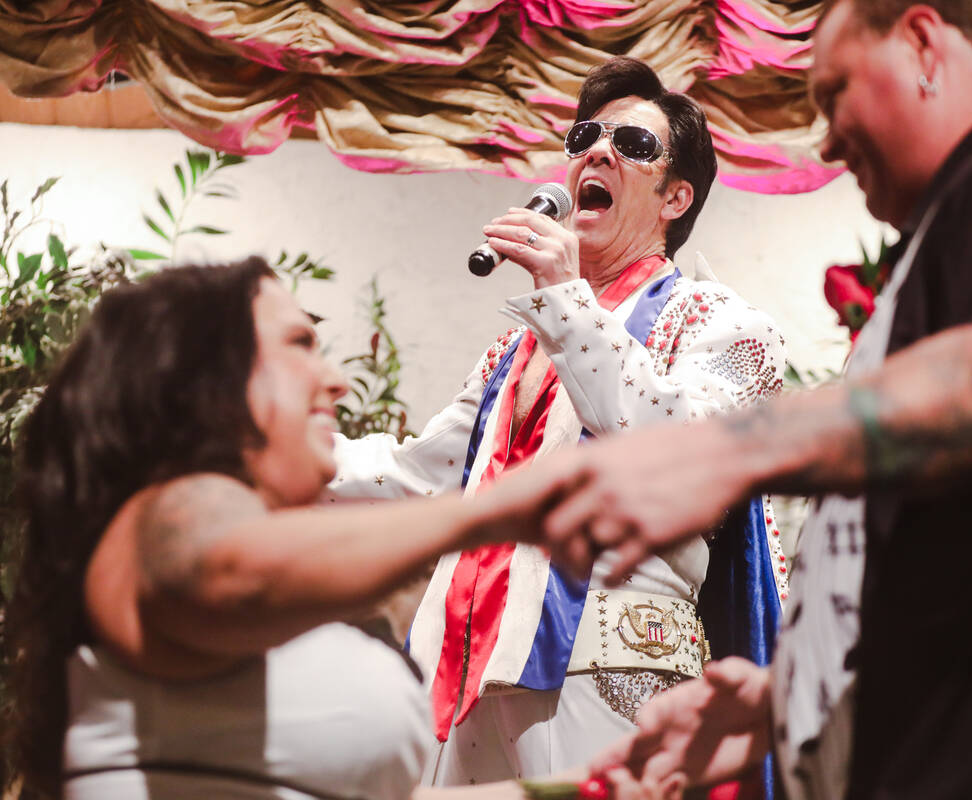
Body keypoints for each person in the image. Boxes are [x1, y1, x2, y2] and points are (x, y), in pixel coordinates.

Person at [541, 2, 972, 798]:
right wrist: (786, 697)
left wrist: (717, 450)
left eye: (835, 93)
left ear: (924, 43)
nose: (826, 141)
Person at [328, 57, 790, 785]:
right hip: (464, 665)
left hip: (612, 663)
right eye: (584, 138)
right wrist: (267, 456)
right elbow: (416, 476)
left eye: (633, 145)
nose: (597, 152)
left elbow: (682, 454)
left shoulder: (723, 322)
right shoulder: (520, 349)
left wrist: (564, 296)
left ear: (676, 198)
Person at [1, 258, 583, 800]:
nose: (335, 380)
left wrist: (601, 785)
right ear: (199, 374)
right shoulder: (159, 520)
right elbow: (222, 566)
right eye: (300, 344)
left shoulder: (288, 577)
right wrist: (503, 508)